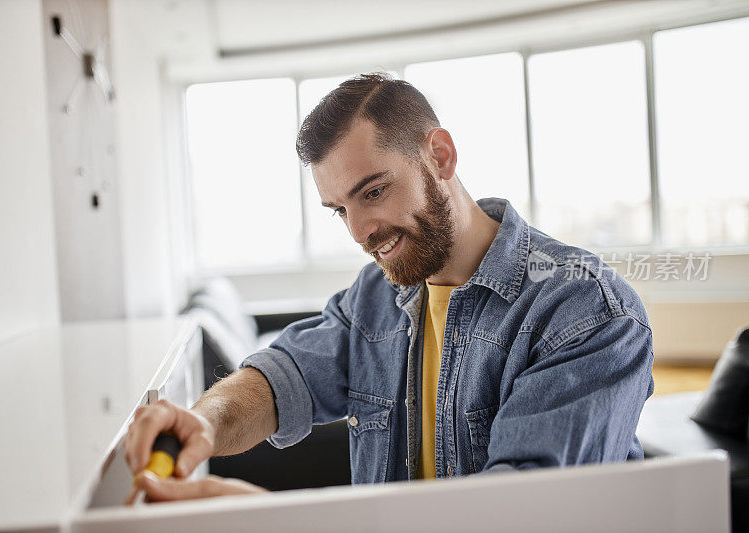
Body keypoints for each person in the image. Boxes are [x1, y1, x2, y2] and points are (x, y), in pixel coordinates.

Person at [123, 72, 654, 501]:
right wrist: (204, 421)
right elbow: (286, 375)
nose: (360, 232)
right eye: (341, 211)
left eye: (373, 191)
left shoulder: (586, 309)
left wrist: (274, 521)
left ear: (440, 156)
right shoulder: (378, 295)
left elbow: (516, 511)